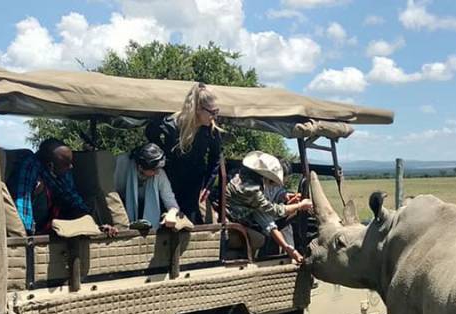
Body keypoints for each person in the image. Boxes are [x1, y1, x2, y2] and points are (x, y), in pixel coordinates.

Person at [145, 82, 222, 223]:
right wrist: (161, 156)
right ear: (198, 109)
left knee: (189, 222)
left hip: (194, 185)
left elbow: (216, 157)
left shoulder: (211, 131)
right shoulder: (171, 124)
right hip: (170, 181)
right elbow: (150, 132)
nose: (214, 117)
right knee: (167, 220)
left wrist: (208, 185)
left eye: (217, 112)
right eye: (212, 112)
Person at [9, 138, 117, 236]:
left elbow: (74, 201)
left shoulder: (63, 173)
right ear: (50, 166)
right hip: (38, 226)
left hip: (58, 223)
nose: (71, 167)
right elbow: (22, 208)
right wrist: (28, 237)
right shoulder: (29, 168)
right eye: (66, 163)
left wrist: (95, 226)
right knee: (41, 188)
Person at [226, 151, 313, 264]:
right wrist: (300, 206)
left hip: (232, 215)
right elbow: (273, 211)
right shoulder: (252, 190)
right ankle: (244, 264)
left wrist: (286, 197)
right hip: (229, 220)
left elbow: (264, 213)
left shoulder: (243, 176)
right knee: (259, 239)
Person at [114, 143, 189, 230]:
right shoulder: (122, 165)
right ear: (140, 167)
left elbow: (171, 202)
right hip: (122, 206)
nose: (157, 172)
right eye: (154, 170)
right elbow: (112, 193)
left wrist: (172, 213)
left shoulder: (160, 174)